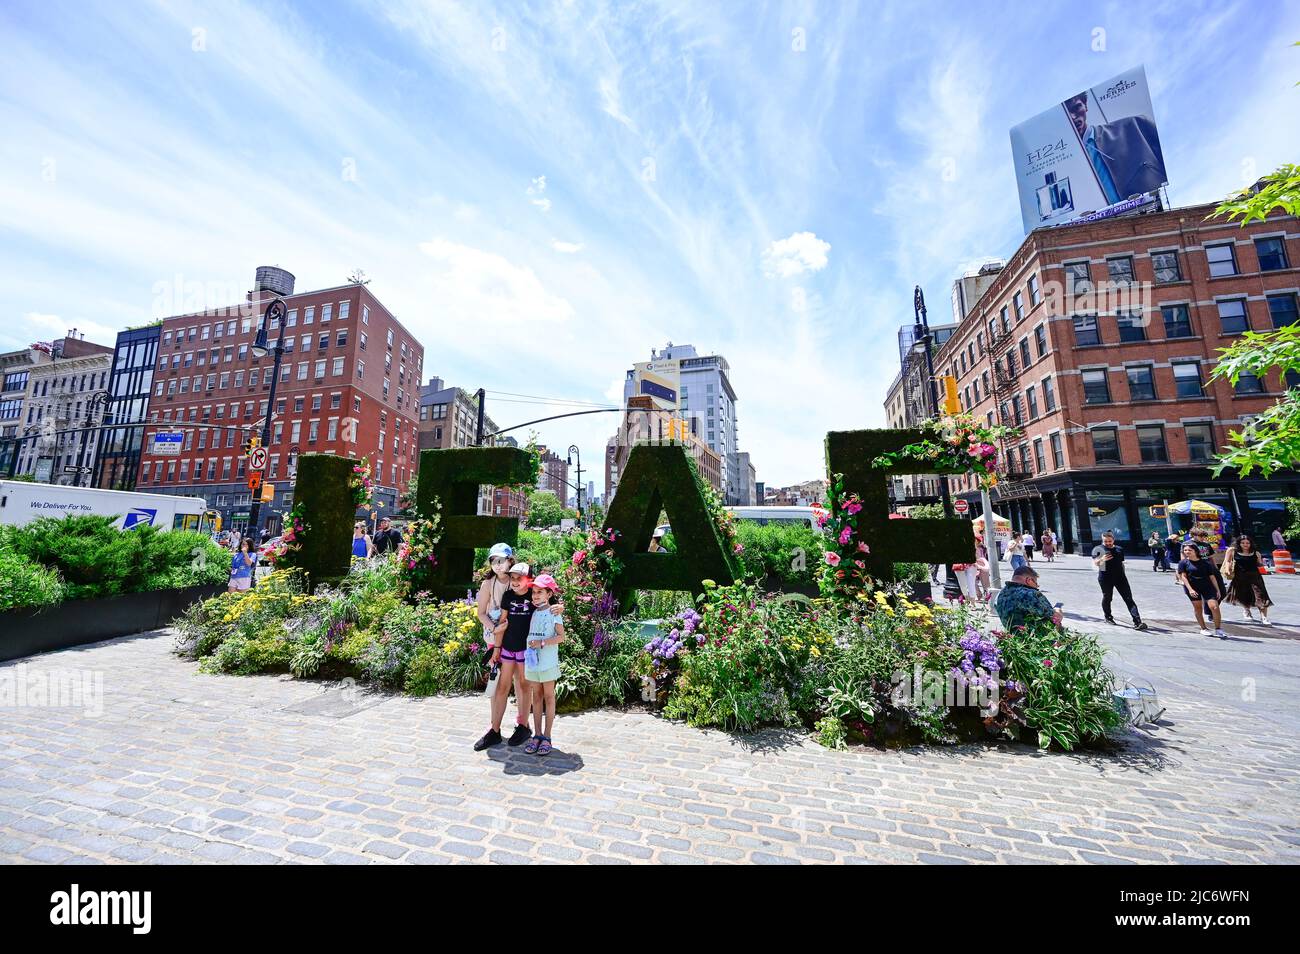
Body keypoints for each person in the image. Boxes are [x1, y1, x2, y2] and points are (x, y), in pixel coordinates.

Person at [1063, 91, 1167, 206]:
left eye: (1077, 108)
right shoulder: (1068, 168)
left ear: (1085, 105)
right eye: (1066, 114)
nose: (1072, 117)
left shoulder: (1135, 126)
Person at [477, 563, 540, 751]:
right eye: (512, 578)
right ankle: (494, 731)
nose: (514, 582)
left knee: (523, 685)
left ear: (529, 579)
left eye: (519, 578)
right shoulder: (508, 596)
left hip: (525, 650)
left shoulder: (533, 596)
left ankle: (523, 726)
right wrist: (496, 647)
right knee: (501, 687)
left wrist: (557, 608)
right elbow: (502, 622)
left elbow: (549, 604)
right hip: (507, 649)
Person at [522, 574, 566, 756]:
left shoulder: (554, 613)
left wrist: (541, 643)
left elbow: (561, 637)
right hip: (533, 662)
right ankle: (537, 735)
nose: (535, 595)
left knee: (549, 697)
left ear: (549, 594)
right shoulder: (533, 611)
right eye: (534, 592)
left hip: (547, 662)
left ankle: (547, 736)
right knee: (536, 697)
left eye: (540, 592)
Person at [1092, 530, 1149, 630]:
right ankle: (1108, 617)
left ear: (1113, 540)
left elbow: (1121, 563)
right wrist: (1102, 559)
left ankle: (1137, 622)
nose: (1108, 543)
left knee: (1128, 599)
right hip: (1105, 578)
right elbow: (1096, 563)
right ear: (1102, 541)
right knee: (1108, 597)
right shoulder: (1098, 549)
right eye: (1105, 541)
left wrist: (1123, 574)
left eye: (1110, 541)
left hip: (1120, 578)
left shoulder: (1119, 549)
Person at [1177, 543, 1226, 638]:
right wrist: (1190, 589)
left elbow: (1212, 577)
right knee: (1198, 608)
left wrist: (1217, 590)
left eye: (1189, 550)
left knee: (1214, 607)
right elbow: (1183, 577)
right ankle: (1203, 628)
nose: (1187, 552)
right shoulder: (1183, 563)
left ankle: (1218, 629)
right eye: (1185, 550)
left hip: (1207, 586)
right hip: (1192, 587)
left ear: (1195, 551)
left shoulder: (1206, 563)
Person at [994, 565, 1063, 632]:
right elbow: (1055, 617)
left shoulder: (1000, 593)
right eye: (1036, 584)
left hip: (1012, 638)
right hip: (1034, 639)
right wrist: (1057, 610)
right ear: (1029, 580)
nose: (1037, 587)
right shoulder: (1030, 594)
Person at [1224, 535, 1273, 625]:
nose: (1245, 545)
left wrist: (1263, 563)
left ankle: (1264, 617)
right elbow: (1228, 561)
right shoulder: (1232, 551)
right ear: (1239, 543)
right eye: (1243, 543)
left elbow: (1260, 565)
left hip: (1255, 577)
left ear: (1251, 543)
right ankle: (1247, 610)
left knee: (1261, 596)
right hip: (1240, 577)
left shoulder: (1256, 553)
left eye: (1247, 543)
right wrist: (1227, 569)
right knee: (1244, 595)